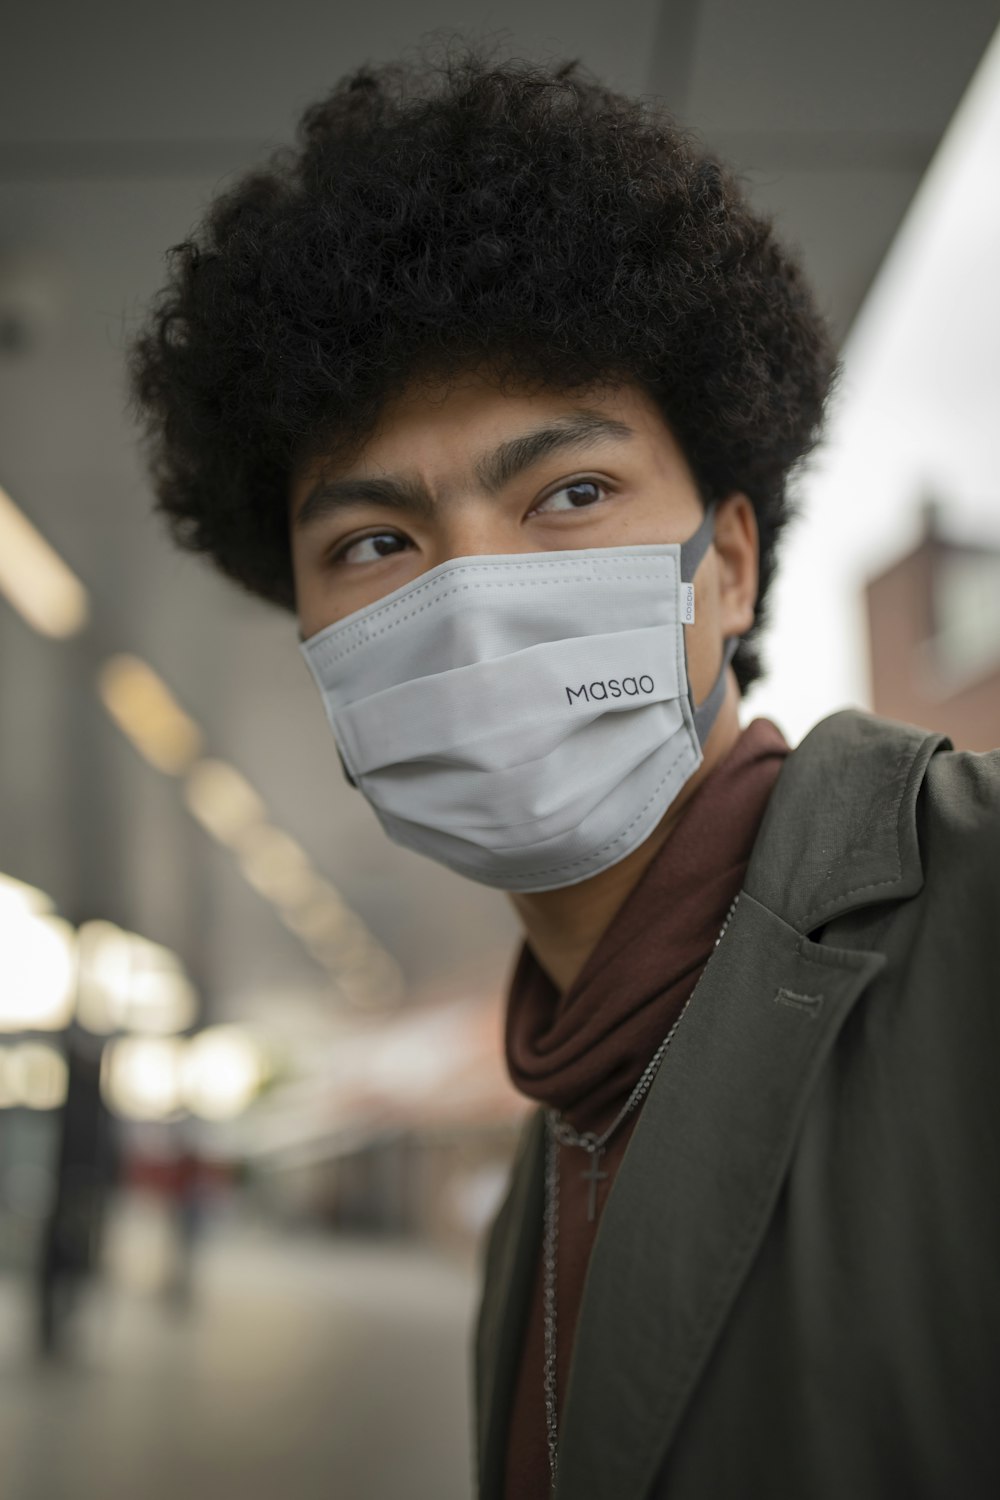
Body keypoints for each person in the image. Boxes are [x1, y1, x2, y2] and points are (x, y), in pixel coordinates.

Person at [127, 41, 1000, 1500]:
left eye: (571, 494)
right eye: (374, 543)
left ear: (725, 569)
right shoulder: (560, 1131)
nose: (472, 598)